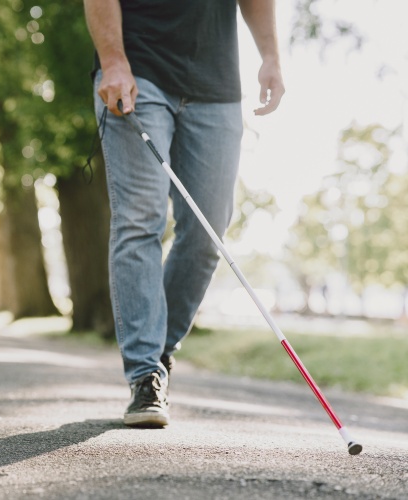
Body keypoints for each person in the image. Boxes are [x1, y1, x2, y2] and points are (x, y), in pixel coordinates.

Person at [83, 0, 285, 427]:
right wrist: (113, 61)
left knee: (207, 233)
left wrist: (270, 56)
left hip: (216, 87)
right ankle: (144, 375)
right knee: (140, 220)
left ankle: (159, 354)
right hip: (138, 72)